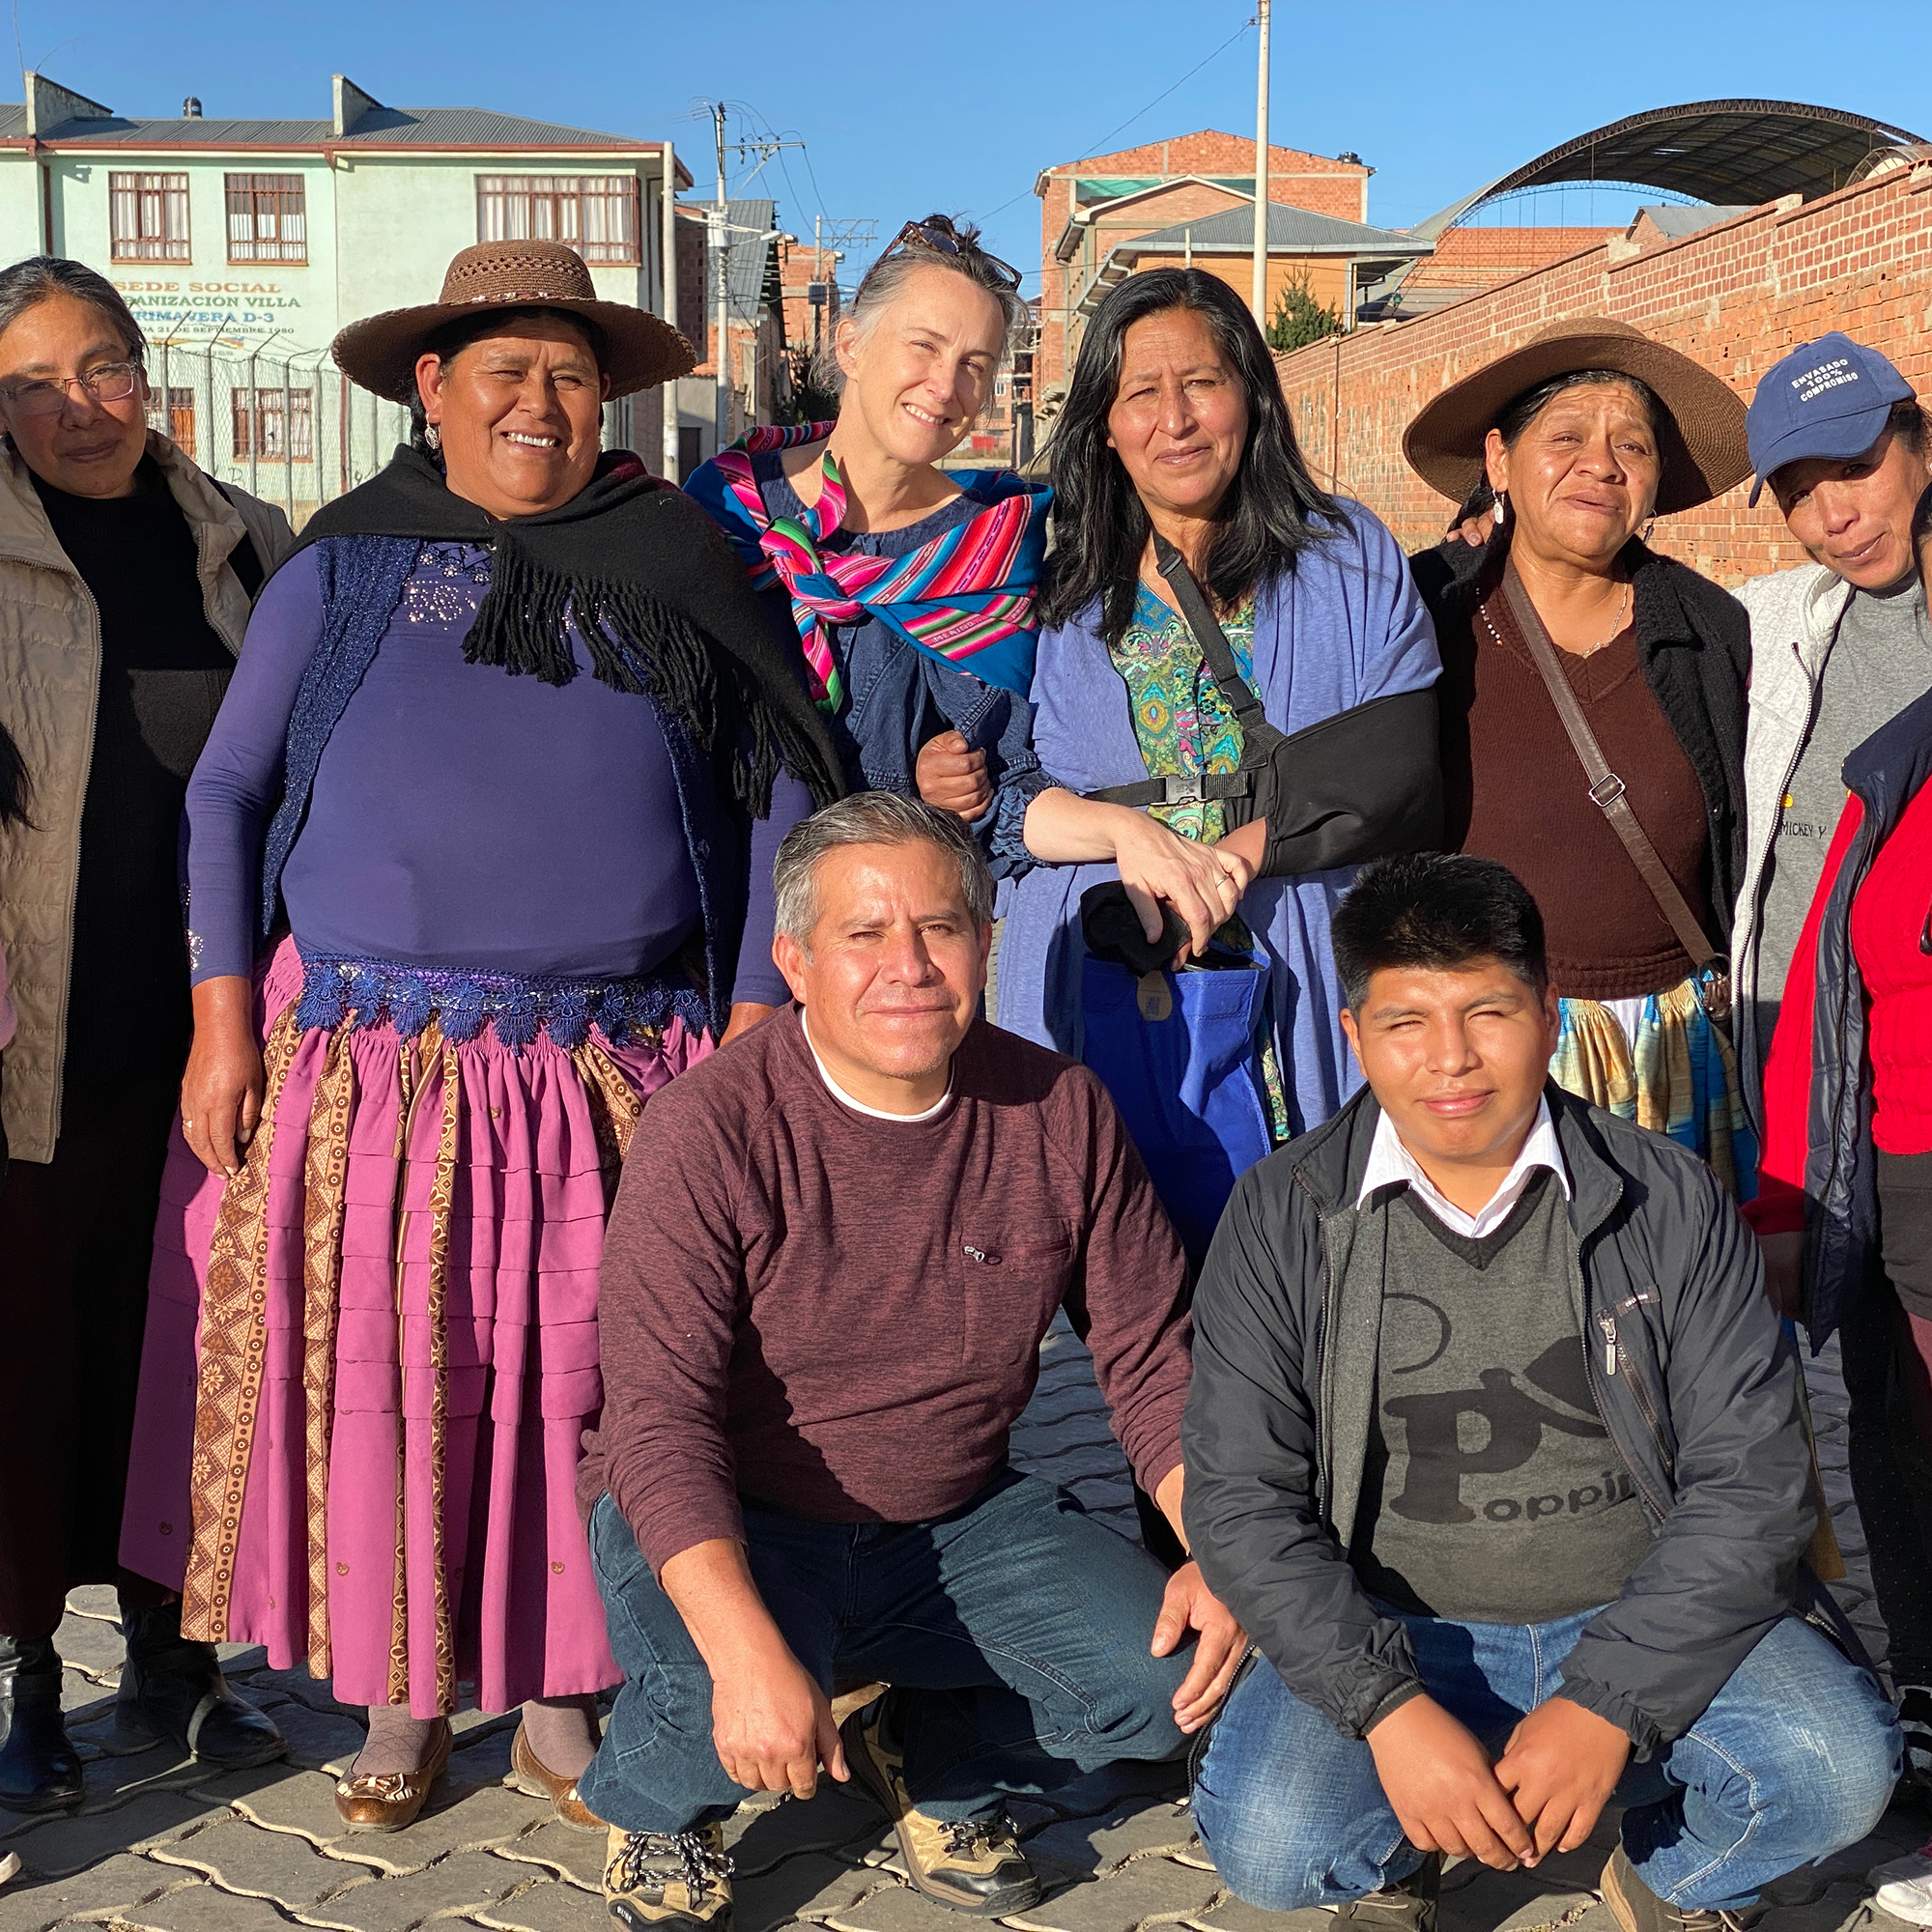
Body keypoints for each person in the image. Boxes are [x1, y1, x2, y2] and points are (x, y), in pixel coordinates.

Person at [113, 240, 843, 1834]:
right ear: (430, 389)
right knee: (394, 1381)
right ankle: (399, 1696)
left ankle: (567, 1699)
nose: (538, 403)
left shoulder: (679, 559)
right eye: (501, 371)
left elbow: (791, 777)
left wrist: (756, 1020)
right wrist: (222, 1017)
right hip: (373, 1059)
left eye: (571, 375)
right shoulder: (348, 565)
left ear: (613, 400)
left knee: (581, 1391)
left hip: (615, 1066)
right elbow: (230, 791)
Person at [1182, 850, 1899, 1932]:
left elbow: (1751, 1479)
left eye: (1488, 1011)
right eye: (1404, 1023)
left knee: (1835, 1768)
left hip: (1638, 1603)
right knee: (1272, 1840)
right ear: (1351, 1036)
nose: (1450, 1060)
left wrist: (1604, 1701)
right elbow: (1239, 1496)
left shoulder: (1663, 1194)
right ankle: (1402, 1856)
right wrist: (1386, 1711)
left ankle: (1663, 1868)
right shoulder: (1282, 1213)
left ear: (1550, 1012)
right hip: (1394, 1623)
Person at [577, 792, 1242, 1932]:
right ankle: (653, 1800)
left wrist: (1219, 1544)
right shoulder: (707, 1128)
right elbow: (656, 1418)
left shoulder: (1058, 1110)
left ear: (985, 942)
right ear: (792, 958)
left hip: (955, 1514)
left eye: (939, 927)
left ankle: (934, 1756)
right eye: (863, 934)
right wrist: (745, 1652)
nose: (909, 965)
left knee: (1163, 1679)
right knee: (719, 1698)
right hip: (738, 1511)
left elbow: (1146, 1355)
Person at [0, 258, 294, 1814]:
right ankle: (26, 1671)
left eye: (100, 367)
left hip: (211, 1031)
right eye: (32, 384)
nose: (76, 408)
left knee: (188, 1360)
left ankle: (182, 1664)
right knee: (30, 1359)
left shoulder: (244, 539)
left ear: (147, 370)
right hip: (27, 1042)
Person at [997, 268, 1441, 1252]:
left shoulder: (1348, 557)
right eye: (1138, 394)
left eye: (1199, 381)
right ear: (1102, 426)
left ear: (1249, 391)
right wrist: (1124, 837)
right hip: (1110, 990)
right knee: (1141, 1302)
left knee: (1326, 1275)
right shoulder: (1043, 586)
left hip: (1313, 982)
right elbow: (984, 786)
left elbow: (1404, 761)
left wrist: (1242, 849)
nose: (1175, 419)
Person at [1405, 318, 1755, 1195]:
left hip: (1670, 1053)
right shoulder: (1419, 617)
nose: (1600, 464)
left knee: (1674, 1309)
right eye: (1565, 436)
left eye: (1630, 446)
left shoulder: (1710, 632)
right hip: (1477, 1051)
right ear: (1499, 461)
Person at [1730, 334, 1932, 1793]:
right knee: (1884, 1405)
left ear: (1919, 446)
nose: (1833, 512)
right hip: (1818, 1083)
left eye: (1854, 467)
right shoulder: (1782, 626)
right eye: (1798, 488)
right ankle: (1917, 1680)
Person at [685, 214, 1052, 870]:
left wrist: (949, 788)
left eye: (975, 364)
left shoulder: (986, 549)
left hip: (883, 922)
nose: (945, 386)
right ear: (851, 345)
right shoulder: (729, 511)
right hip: (726, 901)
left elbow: (1010, 777)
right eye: (924, 346)